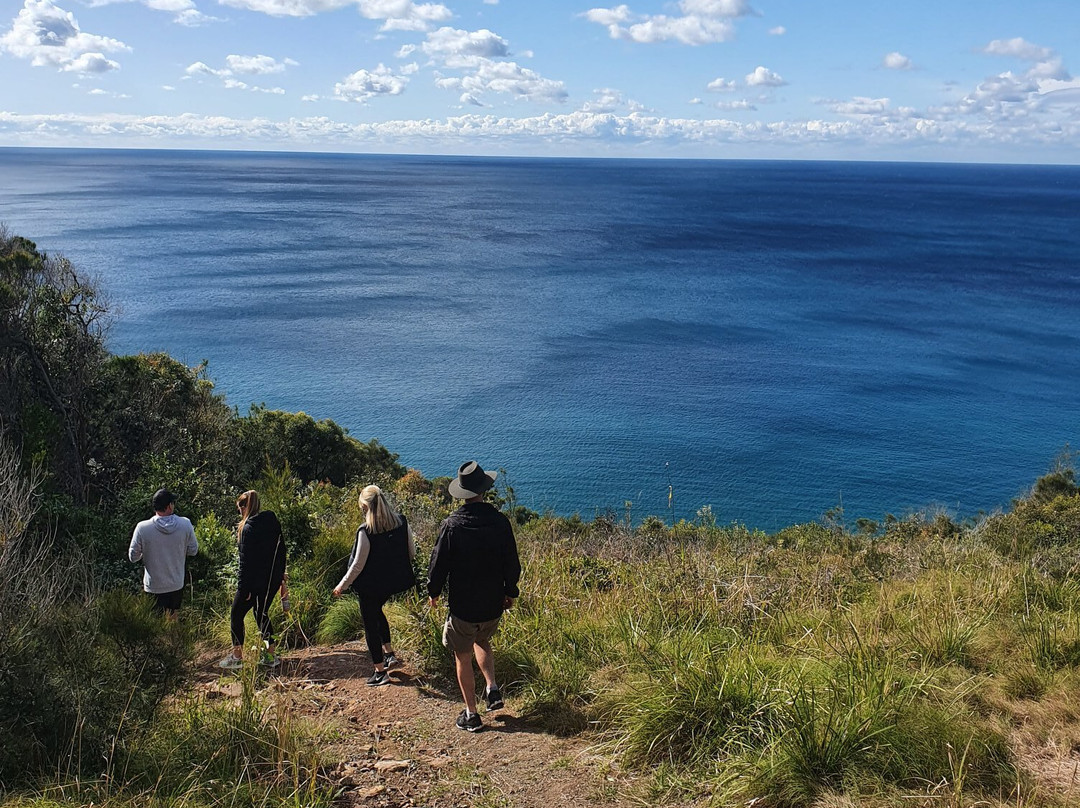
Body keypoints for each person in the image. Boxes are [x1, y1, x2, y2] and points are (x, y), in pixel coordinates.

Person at [427, 461, 521, 732]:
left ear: (462, 493)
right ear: (484, 491)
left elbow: (438, 565)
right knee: (483, 639)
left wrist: (433, 593)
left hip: (463, 607)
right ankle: (492, 688)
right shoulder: (500, 522)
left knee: (462, 654)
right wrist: (509, 592)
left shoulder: (452, 525)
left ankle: (471, 714)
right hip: (492, 605)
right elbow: (512, 564)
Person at [333, 485, 416, 687]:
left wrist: (341, 585)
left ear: (365, 507)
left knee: (370, 623)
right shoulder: (401, 522)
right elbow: (411, 552)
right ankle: (389, 653)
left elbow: (357, 565)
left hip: (370, 586)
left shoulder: (366, 531)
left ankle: (380, 671)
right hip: (393, 582)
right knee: (377, 611)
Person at [219, 490, 288, 669]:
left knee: (236, 614)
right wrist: (281, 574)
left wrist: (244, 589)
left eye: (239, 509)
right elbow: (282, 549)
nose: (239, 513)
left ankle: (237, 657)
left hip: (254, 582)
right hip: (271, 579)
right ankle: (270, 655)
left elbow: (245, 562)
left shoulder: (247, 529)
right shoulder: (271, 521)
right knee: (261, 613)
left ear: (244, 507)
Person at [129, 488, 198, 620]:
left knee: (155, 622)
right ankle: (174, 640)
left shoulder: (142, 528)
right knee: (173, 617)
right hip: (176, 583)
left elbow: (133, 557)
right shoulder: (185, 524)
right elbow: (193, 551)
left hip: (153, 585)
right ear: (169, 506)